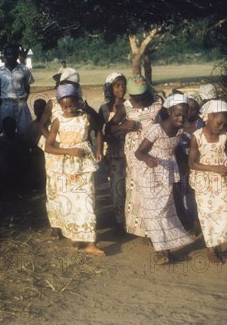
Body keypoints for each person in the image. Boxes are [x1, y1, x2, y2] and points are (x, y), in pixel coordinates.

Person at [39, 68, 103, 238]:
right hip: (56, 150)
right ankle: (56, 225)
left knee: (74, 189)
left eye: (74, 84)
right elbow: (42, 124)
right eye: (67, 83)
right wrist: (56, 142)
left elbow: (95, 125)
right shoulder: (53, 102)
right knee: (55, 187)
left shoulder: (80, 102)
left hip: (76, 152)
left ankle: (78, 224)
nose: (71, 86)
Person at [134, 93, 194, 265]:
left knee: (165, 210)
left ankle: (165, 247)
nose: (181, 118)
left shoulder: (181, 129)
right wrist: (147, 159)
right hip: (150, 172)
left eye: (184, 114)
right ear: (169, 112)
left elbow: (177, 150)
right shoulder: (156, 129)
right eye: (177, 115)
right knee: (154, 212)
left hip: (167, 171)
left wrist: (184, 167)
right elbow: (139, 152)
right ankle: (162, 252)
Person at [107, 75, 161, 239]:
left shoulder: (158, 103)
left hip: (155, 147)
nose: (139, 100)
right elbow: (109, 128)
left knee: (154, 185)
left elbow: (168, 121)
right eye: (135, 97)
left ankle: (155, 228)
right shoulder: (126, 107)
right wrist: (122, 126)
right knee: (138, 186)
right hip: (134, 151)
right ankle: (142, 229)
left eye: (142, 96)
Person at [188, 100, 227, 264]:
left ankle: (218, 247)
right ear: (208, 118)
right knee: (207, 215)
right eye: (219, 123)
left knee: (223, 214)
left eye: (225, 123)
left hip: (222, 181)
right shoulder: (197, 137)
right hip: (204, 182)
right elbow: (192, 163)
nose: (221, 127)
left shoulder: (226, 134)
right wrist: (214, 168)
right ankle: (211, 250)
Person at [100, 73, 132, 234]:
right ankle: (120, 222)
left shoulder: (131, 105)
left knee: (133, 187)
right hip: (114, 153)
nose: (121, 88)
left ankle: (133, 222)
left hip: (132, 152)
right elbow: (102, 133)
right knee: (117, 188)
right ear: (110, 88)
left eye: (123, 85)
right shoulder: (104, 109)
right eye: (116, 85)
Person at [175, 92, 203, 235]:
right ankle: (190, 221)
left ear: (198, 109)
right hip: (182, 165)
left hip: (200, 164)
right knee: (186, 194)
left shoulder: (202, 125)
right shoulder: (179, 125)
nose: (189, 111)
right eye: (187, 108)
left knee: (198, 193)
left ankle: (199, 221)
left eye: (193, 108)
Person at [0, 44, 34, 136]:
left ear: (17, 55)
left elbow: (27, 87)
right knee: (7, 132)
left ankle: (24, 150)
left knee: (25, 131)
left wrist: (22, 101)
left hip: (21, 105)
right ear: (4, 56)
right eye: (8, 54)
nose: (10, 56)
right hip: (6, 105)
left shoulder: (24, 69)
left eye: (13, 54)